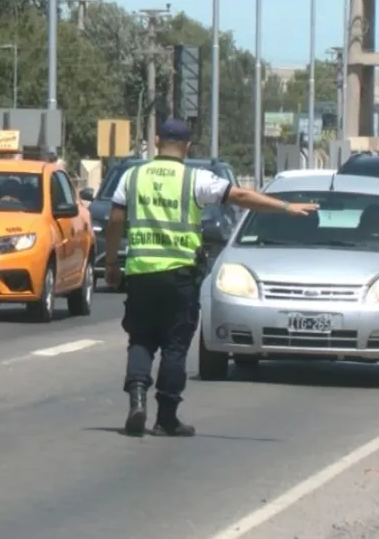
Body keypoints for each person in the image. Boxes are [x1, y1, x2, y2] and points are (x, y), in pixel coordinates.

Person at [103, 118, 319, 437]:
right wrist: (286, 206)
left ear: (157, 140)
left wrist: (110, 264)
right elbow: (242, 197)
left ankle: (137, 399)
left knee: (141, 339)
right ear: (188, 146)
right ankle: (166, 416)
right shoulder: (195, 179)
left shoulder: (132, 176)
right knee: (175, 346)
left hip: (141, 274)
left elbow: (116, 218)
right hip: (179, 276)